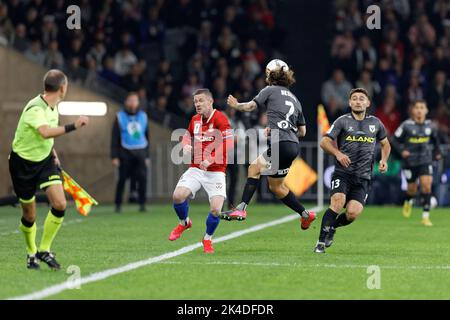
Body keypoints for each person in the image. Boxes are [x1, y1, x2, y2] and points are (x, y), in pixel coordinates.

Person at [220, 59, 316, 230]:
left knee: (253, 168)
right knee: (277, 187)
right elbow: (302, 132)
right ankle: (305, 215)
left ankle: (241, 209)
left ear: (270, 74)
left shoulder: (269, 90)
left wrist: (236, 105)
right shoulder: (295, 99)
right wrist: (279, 128)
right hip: (293, 146)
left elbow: (250, 107)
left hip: (281, 145)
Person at [8, 69, 89, 269]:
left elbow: (48, 138)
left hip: (45, 161)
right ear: (62, 88)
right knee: (30, 215)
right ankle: (31, 253)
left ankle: (44, 250)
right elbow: (44, 132)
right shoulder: (35, 108)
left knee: (60, 204)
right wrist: (74, 126)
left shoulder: (53, 108)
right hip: (23, 165)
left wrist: (55, 156)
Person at [314, 87, 391, 253]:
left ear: (368, 103)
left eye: (361, 98)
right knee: (337, 202)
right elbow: (324, 142)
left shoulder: (376, 123)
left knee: (352, 214)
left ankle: (333, 227)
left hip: (363, 177)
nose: (358, 101)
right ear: (349, 103)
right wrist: (338, 153)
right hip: (343, 173)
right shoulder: (342, 121)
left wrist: (384, 160)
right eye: (354, 98)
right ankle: (320, 243)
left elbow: (385, 144)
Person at [169, 88, 232, 254]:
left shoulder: (220, 118)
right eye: (195, 101)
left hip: (216, 171)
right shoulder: (194, 119)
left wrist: (211, 159)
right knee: (177, 196)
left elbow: (229, 143)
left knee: (216, 210)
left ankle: (207, 239)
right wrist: (185, 145)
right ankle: (184, 223)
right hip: (196, 168)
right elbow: (186, 136)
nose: (197, 104)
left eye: (201, 101)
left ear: (210, 102)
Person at [391, 100, 442, 226]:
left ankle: (425, 217)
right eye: (417, 108)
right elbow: (393, 140)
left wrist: (437, 152)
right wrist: (402, 151)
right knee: (412, 189)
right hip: (410, 162)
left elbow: (436, 142)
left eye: (422, 107)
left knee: (426, 186)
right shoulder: (406, 125)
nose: (419, 110)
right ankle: (408, 201)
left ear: (426, 110)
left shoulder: (431, 126)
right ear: (412, 110)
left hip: (425, 160)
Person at [111, 92, 150, 213]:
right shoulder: (119, 117)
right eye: (130, 100)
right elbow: (114, 138)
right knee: (122, 179)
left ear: (138, 102)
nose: (133, 103)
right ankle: (118, 204)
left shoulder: (143, 116)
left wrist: (147, 155)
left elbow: (147, 136)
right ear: (126, 102)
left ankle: (142, 204)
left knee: (143, 179)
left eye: (135, 100)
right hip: (125, 152)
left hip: (141, 152)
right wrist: (114, 156)